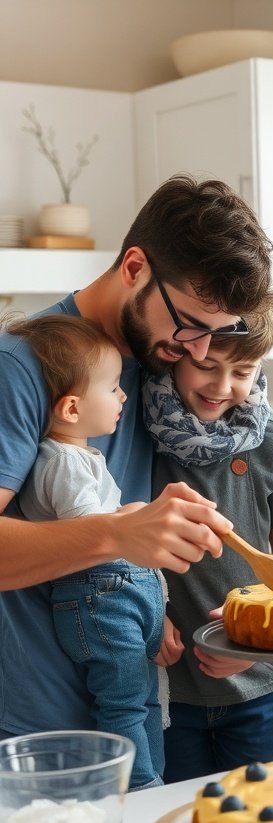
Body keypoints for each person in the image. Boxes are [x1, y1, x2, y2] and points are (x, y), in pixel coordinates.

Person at [0, 174, 273, 742]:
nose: (200, 350)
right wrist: (116, 533)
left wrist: (269, 663)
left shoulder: (163, 371)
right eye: (190, 323)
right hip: (40, 730)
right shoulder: (24, 366)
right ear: (134, 267)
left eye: (219, 333)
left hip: (151, 715)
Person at [143, 307, 273, 780]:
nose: (223, 386)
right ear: (176, 356)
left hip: (259, 683)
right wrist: (147, 614)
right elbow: (120, 544)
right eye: (206, 366)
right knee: (181, 817)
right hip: (167, 692)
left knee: (257, 814)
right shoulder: (138, 435)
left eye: (242, 372)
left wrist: (258, 638)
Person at [17, 314, 167, 789]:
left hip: (119, 596)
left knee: (143, 699)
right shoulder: (59, 460)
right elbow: (89, 531)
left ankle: (151, 778)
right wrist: (137, 516)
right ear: (72, 409)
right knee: (124, 702)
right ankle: (140, 787)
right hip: (99, 599)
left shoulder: (81, 455)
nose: (123, 396)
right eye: (113, 387)